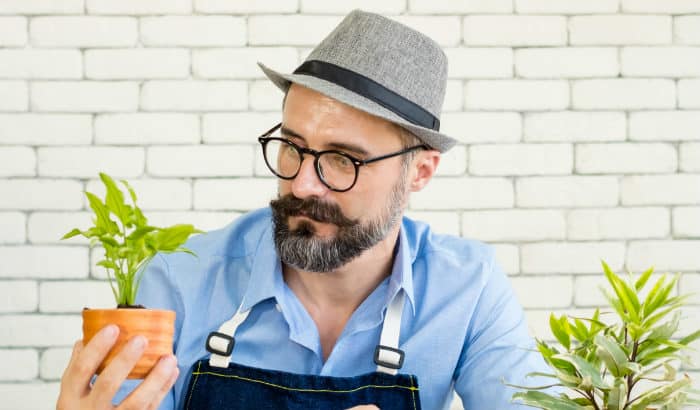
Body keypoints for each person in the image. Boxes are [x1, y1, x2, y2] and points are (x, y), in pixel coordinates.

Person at [57, 9, 551, 410]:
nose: (301, 181)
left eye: (342, 159)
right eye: (292, 146)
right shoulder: (177, 284)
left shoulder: (468, 287)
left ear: (419, 172)